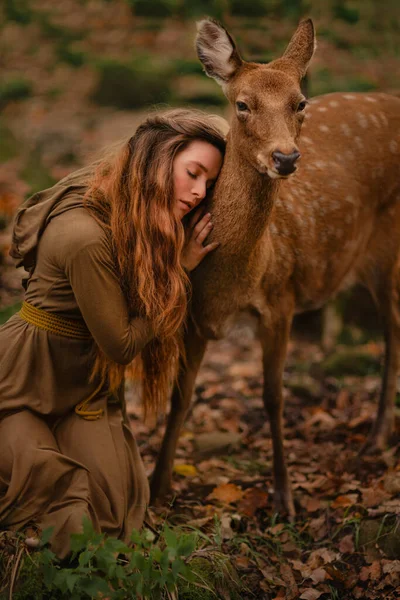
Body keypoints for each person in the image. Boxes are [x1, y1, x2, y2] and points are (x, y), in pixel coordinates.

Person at [0, 108, 226, 558]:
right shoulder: (85, 235)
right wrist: (178, 272)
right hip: (21, 385)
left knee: (116, 507)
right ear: (156, 160)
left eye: (209, 184)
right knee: (69, 507)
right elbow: (122, 345)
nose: (200, 193)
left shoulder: (131, 210)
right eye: (193, 173)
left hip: (84, 386)